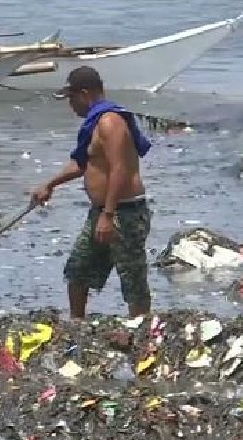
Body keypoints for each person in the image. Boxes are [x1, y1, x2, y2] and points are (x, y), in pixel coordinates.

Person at [31, 65, 153, 319]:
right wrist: (50, 184)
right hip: (101, 212)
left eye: (72, 99)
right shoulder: (93, 124)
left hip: (124, 213)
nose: (71, 106)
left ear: (84, 94)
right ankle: (77, 326)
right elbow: (82, 164)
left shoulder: (110, 122)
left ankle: (143, 331)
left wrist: (109, 215)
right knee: (78, 272)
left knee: (133, 282)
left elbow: (119, 169)